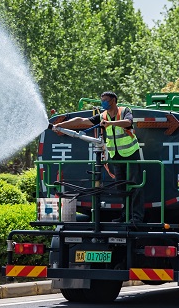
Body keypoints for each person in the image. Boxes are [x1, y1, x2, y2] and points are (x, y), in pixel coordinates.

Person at [51, 91, 144, 224]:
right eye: (102, 100)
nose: (103, 103)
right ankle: (125, 216)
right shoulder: (103, 116)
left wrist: (110, 124)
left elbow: (128, 122)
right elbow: (82, 121)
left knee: (135, 186)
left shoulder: (124, 111)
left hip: (131, 154)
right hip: (116, 156)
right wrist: (61, 125)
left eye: (105, 100)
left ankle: (136, 218)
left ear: (113, 100)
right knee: (121, 188)